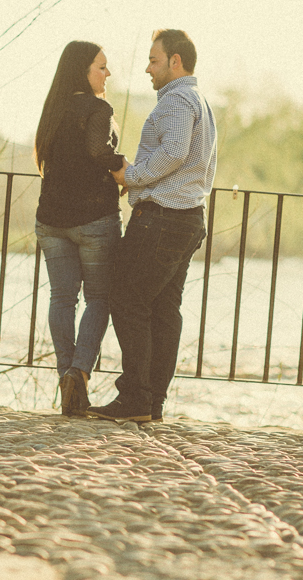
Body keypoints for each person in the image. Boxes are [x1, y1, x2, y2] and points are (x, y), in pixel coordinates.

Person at [88, 29, 217, 424]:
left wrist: (133, 176)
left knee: (127, 298)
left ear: (176, 61)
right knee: (163, 308)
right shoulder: (199, 100)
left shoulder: (178, 99)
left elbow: (174, 151)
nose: (148, 68)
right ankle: (151, 403)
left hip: (162, 218)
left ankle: (136, 400)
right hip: (188, 217)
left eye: (154, 60)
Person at [34, 41, 124, 415]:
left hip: (51, 221)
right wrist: (129, 175)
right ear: (83, 71)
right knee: (100, 298)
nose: (107, 74)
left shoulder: (52, 109)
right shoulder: (98, 108)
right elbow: (98, 152)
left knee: (62, 299)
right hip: (94, 220)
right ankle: (79, 371)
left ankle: (65, 377)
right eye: (101, 67)